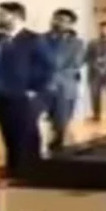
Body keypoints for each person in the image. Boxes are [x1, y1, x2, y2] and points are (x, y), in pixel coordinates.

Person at [0, 1, 53, 178]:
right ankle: (13, 170)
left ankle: (31, 171)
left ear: (16, 16)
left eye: (3, 14)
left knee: (26, 135)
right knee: (8, 134)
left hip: (24, 96)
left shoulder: (33, 39)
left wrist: (34, 89)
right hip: (0, 95)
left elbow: (48, 67)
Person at [43, 8, 84, 151]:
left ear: (70, 25)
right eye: (57, 19)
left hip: (64, 89)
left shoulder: (77, 43)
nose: (59, 23)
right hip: (43, 87)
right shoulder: (40, 39)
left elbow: (74, 64)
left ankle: (58, 152)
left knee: (61, 124)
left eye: (64, 21)